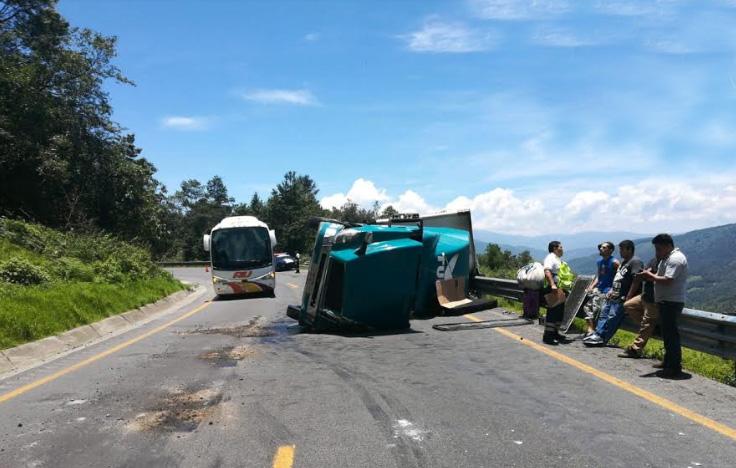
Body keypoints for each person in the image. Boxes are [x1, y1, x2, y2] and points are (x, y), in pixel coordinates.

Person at [638, 234, 688, 378]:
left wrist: (650, 276)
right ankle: (667, 362)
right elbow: (661, 276)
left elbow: (667, 280)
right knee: (667, 334)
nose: (656, 252)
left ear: (667, 246)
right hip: (665, 301)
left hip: (671, 302)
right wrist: (650, 274)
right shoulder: (666, 258)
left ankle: (674, 367)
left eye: (658, 248)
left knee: (671, 336)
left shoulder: (676, 259)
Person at [583, 240, 642, 346]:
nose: (620, 252)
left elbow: (636, 279)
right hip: (613, 293)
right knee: (603, 314)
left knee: (612, 316)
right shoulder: (624, 262)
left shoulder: (635, 261)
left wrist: (629, 296)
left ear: (629, 249)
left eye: (622, 249)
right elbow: (617, 278)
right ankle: (597, 334)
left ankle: (603, 338)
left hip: (623, 296)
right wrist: (611, 290)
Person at [618, 256, 660, 358]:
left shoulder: (667, 262)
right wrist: (645, 274)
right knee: (628, 305)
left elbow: (664, 279)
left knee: (647, 323)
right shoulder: (653, 260)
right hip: (645, 295)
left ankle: (635, 349)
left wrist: (649, 275)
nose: (657, 251)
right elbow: (643, 274)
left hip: (655, 298)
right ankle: (652, 329)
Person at [582, 242, 620, 336]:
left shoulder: (614, 262)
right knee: (587, 307)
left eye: (604, 247)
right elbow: (599, 276)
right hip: (599, 288)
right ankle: (591, 329)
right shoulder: (599, 261)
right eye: (601, 247)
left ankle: (594, 332)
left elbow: (618, 277)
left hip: (608, 290)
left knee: (597, 310)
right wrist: (592, 286)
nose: (601, 249)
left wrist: (613, 289)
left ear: (610, 250)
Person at [541, 241, 570, 345]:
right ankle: (548, 336)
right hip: (553, 288)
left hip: (560, 288)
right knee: (553, 312)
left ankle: (555, 333)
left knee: (559, 312)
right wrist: (552, 284)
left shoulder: (557, 259)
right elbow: (547, 271)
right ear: (555, 248)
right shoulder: (550, 258)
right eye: (561, 247)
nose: (562, 249)